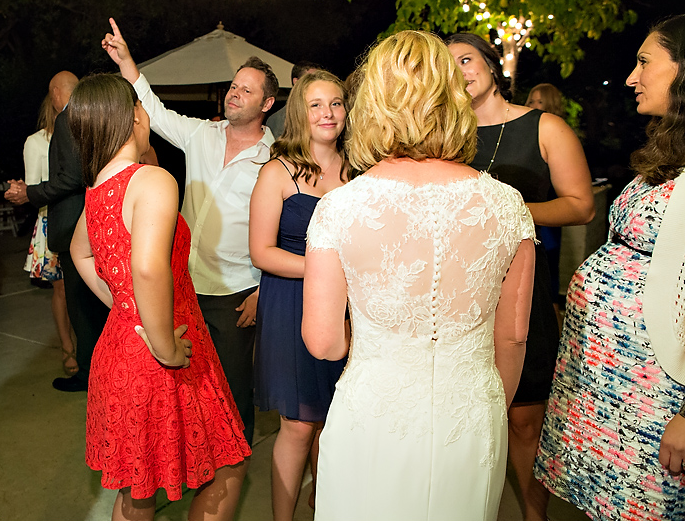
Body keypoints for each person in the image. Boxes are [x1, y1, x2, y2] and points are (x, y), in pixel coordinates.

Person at [302, 30, 536, 520]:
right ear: (453, 99)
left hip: (375, 417)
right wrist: (488, 404)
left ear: (374, 105)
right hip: (471, 414)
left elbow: (325, 343)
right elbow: (512, 337)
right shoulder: (507, 205)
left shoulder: (339, 208)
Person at [68, 73, 251, 519]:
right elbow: (148, 267)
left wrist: (123, 305)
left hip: (124, 343)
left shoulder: (97, 190)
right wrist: (165, 344)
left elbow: (79, 251)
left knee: (140, 489)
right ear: (133, 114)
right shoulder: (151, 179)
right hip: (162, 352)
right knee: (227, 466)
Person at [534, 15, 685, 520]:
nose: (630, 77)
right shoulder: (668, 151)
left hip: (655, 392)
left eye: (645, 63)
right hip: (603, 378)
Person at [103, 17, 277, 446]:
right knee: (186, 383)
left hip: (237, 293)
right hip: (182, 283)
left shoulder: (276, 158)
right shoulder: (203, 133)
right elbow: (156, 114)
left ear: (267, 104)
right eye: (234, 86)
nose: (235, 93)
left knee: (235, 391)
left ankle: (233, 462)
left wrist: (264, 290)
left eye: (247, 90)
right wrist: (128, 65)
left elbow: (289, 233)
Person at [446, 32, 595, 520]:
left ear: (492, 64)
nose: (460, 71)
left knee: (526, 419)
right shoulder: (444, 138)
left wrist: (506, 211)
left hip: (524, 291)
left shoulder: (543, 126)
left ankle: (534, 516)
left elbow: (581, 205)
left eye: (467, 59)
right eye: (449, 66)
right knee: (466, 418)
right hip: (459, 296)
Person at [249, 70, 348, 519]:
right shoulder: (278, 171)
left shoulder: (360, 170)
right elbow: (262, 252)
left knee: (337, 422)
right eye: (316, 104)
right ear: (299, 113)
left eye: (336, 103)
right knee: (299, 425)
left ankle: (325, 507)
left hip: (348, 309)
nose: (328, 113)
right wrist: (324, 269)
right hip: (291, 303)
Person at [5, 71, 110, 392]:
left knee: (82, 307)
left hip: (72, 226)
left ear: (54, 92)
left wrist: (30, 194)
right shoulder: (92, 117)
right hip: (96, 220)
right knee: (96, 303)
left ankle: (88, 375)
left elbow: (71, 178)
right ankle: (103, 371)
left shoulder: (67, 120)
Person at [21, 93, 74, 376]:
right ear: (54, 98)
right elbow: (32, 189)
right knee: (62, 289)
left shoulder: (83, 133)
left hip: (82, 220)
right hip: (49, 220)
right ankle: (68, 349)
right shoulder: (36, 141)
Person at [526, 82, 568, 311]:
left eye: (538, 101)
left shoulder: (557, 134)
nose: (532, 105)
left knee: (547, 270)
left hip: (548, 216)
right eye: (530, 100)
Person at [266, 61, 321, 138]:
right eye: (310, 80)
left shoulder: (324, 112)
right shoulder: (278, 119)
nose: (317, 84)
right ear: (296, 82)